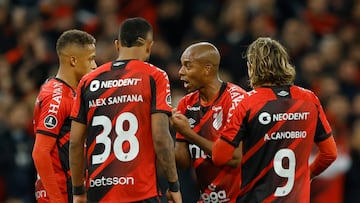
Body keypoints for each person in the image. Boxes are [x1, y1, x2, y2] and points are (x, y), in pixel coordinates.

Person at [211, 37, 338, 202]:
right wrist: (306, 176)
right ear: (284, 64)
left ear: (252, 67)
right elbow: (329, 154)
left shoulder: (247, 103)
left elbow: (219, 157)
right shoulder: (309, 99)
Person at [69, 17, 182, 203]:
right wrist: (174, 186)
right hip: (140, 191)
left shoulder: (88, 81)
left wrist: (78, 191)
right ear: (148, 45)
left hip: (99, 193)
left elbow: (75, 143)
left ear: (117, 45)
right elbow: (161, 137)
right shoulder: (154, 76)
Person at [170, 42, 245, 203]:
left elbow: (233, 158)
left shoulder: (236, 100)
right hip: (206, 198)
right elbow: (183, 162)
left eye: (188, 66)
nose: (181, 72)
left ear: (207, 69)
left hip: (239, 198)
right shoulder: (186, 104)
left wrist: (189, 133)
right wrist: (162, 131)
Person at [32, 29, 97, 203]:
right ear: (73, 60)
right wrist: (56, 199)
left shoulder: (71, 92)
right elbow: (40, 152)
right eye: (90, 59)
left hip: (71, 189)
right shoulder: (57, 97)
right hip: (59, 192)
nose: (95, 65)